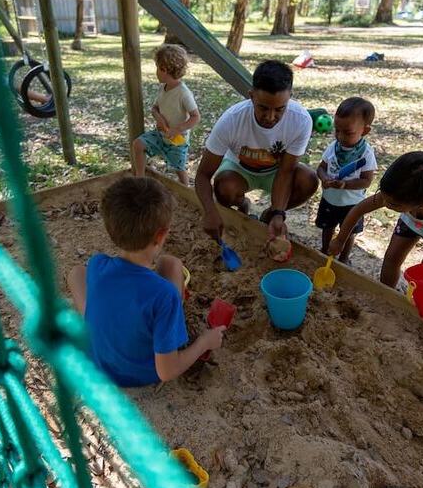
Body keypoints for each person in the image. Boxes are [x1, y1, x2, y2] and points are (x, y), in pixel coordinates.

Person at [67, 177, 224, 387]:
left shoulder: (98, 264)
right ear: (161, 236)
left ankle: (98, 320)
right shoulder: (164, 294)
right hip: (141, 374)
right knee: (172, 265)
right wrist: (205, 342)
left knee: (77, 273)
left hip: (99, 364)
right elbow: (167, 372)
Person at [195, 60, 318, 243]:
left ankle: (268, 216)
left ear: (289, 98)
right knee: (224, 188)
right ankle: (242, 203)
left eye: (279, 109)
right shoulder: (231, 120)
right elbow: (203, 174)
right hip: (240, 170)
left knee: (308, 180)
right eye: (263, 107)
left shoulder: (301, 120)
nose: (270, 117)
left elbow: (286, 171)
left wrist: (278, 213)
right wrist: (210, 211)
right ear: (251, 96)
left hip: (276, 172)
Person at [328, 151, 423, 288]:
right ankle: (386, 293)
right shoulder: (394, 194)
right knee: (391, 259)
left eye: (393, 204)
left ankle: (418, 302)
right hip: (411, 223)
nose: (386, 204)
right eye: (384, 196)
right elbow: (357, 211)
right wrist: (340, 239)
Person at [315, 97, 377, 262]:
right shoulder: (333, 147)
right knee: (327, 228)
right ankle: (325, 249)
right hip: (330, 199)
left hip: (352, 204)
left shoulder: (366, 154)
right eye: (337, 130)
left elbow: (366, 181)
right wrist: (324, 178)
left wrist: (346, 184)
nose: (340, 136)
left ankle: (344, 258)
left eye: (347, 132)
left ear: (365, 131)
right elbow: (321, 168)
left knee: (348, 233)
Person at [133, 44, 201, 184]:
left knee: (179, 170)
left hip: (177, 141)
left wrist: (177, 129)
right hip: (160, 135)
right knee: (138, 145)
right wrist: (159, 119)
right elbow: (154, 108)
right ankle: (139, 179)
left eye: (157, 67)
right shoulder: (163, 88)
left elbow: (196, 117)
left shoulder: (183, 93)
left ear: (164, 69)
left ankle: (186, 191)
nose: (156, 71)